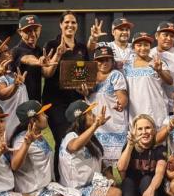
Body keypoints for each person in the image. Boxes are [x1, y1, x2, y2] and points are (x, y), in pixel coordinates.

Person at [10, 100, 80, 196]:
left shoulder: (39, 135)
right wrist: (26, 143)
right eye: (43, 114)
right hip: (32, 192)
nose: (47, 116)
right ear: (33, 120)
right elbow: (14, 165)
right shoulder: (21, 140)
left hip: (45, 188)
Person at [58, 101, 123, 196]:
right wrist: (95, 125)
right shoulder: (70, 136)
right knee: (116, 195)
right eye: (89, 114)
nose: (93, 115)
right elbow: (74, 146)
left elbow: (100, 160)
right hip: (75, 191)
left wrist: (109, 175)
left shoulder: (90, 137)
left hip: (91, 186)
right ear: (80, 118)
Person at [42, 12, 90, 165]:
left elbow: (86, 76)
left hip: (76, 100)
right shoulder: (51, 45)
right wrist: (57, 54)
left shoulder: (82, 47)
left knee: (76, 137)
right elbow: (46, 74)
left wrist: (85, 91)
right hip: (56, 102)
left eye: (73, 22)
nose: (70, 25)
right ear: (60, 25)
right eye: (67, 22)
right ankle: (60, 176)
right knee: (62, 138)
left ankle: (74, 175)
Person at [117, 114, 166, 196]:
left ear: (154, 130)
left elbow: (160, 173)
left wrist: (150, 190)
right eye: (140, 129)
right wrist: (130, 145)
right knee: (127, 182)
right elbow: (121, 168)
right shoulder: (129, 147)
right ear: (134, 131)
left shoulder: (160, 149)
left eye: (148, 128)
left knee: (147, 179)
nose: (144, 132)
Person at [88, 45, 129, 174]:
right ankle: (110, 189)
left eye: (107, 60)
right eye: (100, 60)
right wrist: (84, 91)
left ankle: (125, 190)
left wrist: (121, 104)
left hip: (113, 124)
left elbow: (123, 97)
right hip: (96, 124)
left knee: (120, 165)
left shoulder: (115, 75)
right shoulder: (89, 76)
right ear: (95, 62)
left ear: (112, 61)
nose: (104, 63)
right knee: (101, 164)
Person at [123, 32, 172, 130]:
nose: (143, 48)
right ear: (133, 47)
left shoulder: (158, 62)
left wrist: (159, 70)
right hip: (135, 111)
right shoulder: (126, 65)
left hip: (156, 110)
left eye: (146, 45)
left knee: (158, 141)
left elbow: (170, 81)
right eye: (139, 45)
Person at [0, 38, 29, 140]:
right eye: (5, 51)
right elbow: (2, 93)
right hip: (11, 125)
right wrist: (15, 85)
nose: (9, 52)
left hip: (20, 121)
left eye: (8, 49)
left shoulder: (9, 73)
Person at [9, 15, 57, 101]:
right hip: (19, 102)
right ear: (20, 32)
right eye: (28, 31)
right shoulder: (16, 51)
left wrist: (58, 54)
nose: (33, 34)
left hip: (35, 100)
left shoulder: (38, 50)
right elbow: (27, 58)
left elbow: (46, 74)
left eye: (35, 30)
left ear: (40, 30)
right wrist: (38, 62)